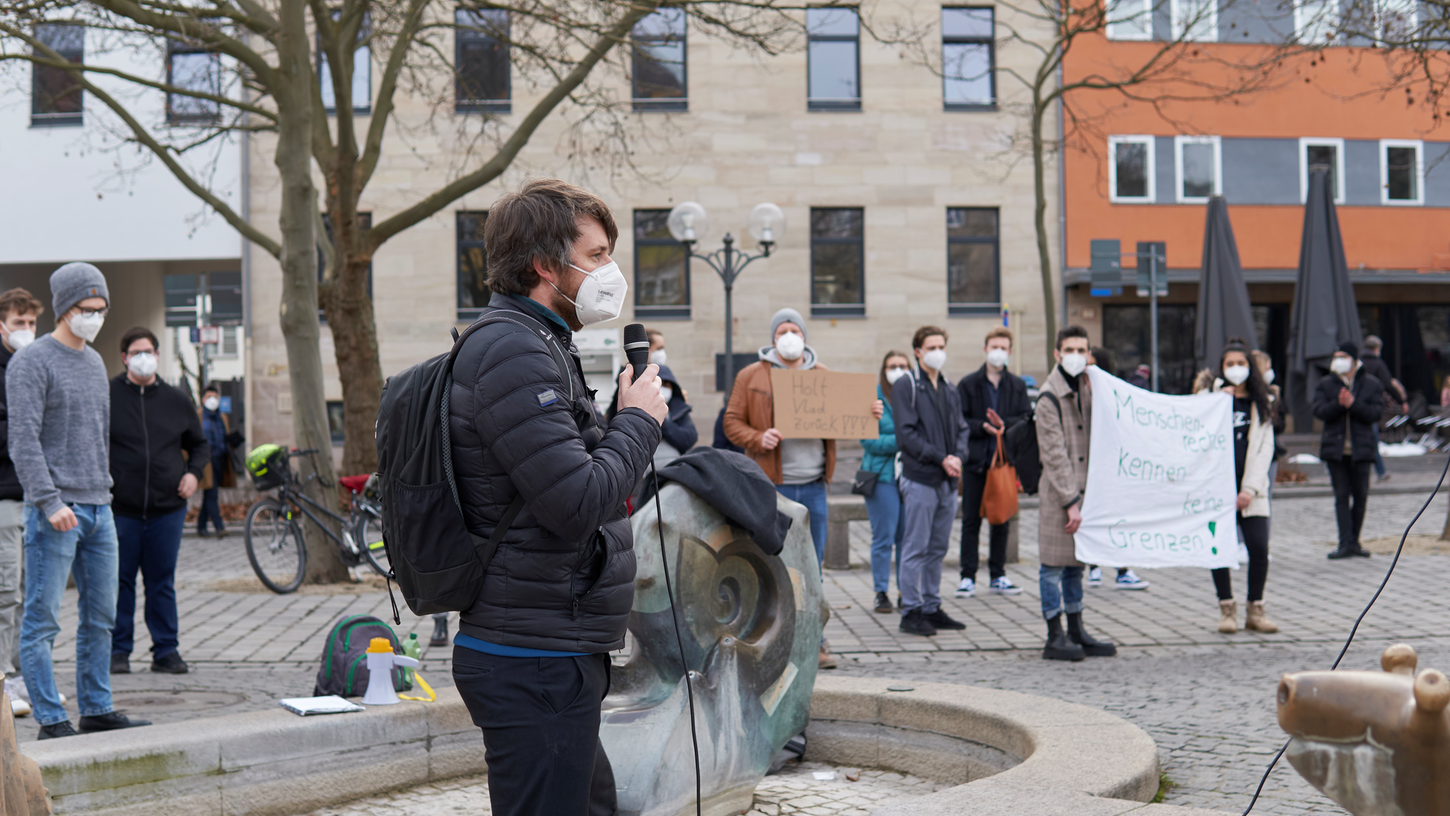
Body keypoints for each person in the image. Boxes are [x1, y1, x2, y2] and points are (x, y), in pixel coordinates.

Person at [446, 179, 667, 816]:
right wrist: (639, 421)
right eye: (597, 256)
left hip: (550, 647)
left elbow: (590, 477)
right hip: (531, 656)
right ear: (546, 265)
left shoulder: (539, 342)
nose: (611, 272)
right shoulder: (513, 350)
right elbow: (575, 500)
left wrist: (627, 426)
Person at [8, 262, 149, 738]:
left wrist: (104, 496)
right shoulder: (32, 362)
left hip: (98, 507)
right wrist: (49, 503)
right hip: (55, 511)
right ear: (64, 308)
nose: (94, 317)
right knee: (42, 621)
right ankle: (50, 718)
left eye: (101, 309)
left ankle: (96, 707)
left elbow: (96, 437)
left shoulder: (93, 363)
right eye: (86, 309)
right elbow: (23, 440)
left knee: (101, 617)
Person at [724, 307, 882, 667]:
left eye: (795, 329)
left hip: (813, 487)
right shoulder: (751, 376)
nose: (789, 335)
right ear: (773, 337)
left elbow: (850, 420)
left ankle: (815, 642)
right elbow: (731, 421)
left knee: (813, 566)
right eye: (782, 330)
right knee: (770, 564)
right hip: (771, 487)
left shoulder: (824, 376)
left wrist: (867, 412)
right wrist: (758, 437)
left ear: (805, 336)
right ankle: (768, 641)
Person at [109, 327, 209, 675]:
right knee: (119, 582)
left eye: (149, 351)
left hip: (167, 509)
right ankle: (118, 651)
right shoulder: (108, 395)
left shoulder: (176, 399)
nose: (143, 357)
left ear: (157, 354)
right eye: (136, 351)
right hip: (120, 509)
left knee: (161, 581)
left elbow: (199, 444)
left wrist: (193, 474)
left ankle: (166, 651)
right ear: (124, 358)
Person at [1035, 326, 1117, 661]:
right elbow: (1054, 456)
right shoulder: (1048, 397)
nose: (1076, 356)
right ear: (1057, 354)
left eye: (1082, 350)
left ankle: (1076, 627)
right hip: (1061, 496)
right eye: (1069, 350)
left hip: (1086, 493)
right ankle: (1054, 634)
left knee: (1075, 566)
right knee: (1053, 566)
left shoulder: (1088, 387)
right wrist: (1070, 502)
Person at [1194, 340, 1278, 634]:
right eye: (1230, 364)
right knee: (1220, 550)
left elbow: (1265, 449)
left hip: (1251, 492)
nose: (1236, 369)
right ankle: (1226, 608)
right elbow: (1195, 435)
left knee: (1258, 548)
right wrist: (1216, 397)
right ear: (1222, 368)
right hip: (1218, 491)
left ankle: (1256, 609)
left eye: (1241, 363)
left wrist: (1250, 489)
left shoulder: (1261, 402)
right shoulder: (1210, 398)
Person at [891, 326, 969, 638]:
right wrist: (942, 458)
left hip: (947, 482)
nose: (938, 351)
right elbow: (907, 435)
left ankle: (931, 606)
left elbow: (962, 428)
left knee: (937, 548)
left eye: (942, 345)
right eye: (932, 346)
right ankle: (911, 610)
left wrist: (958, 457)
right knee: (915, 547)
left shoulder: (949, 388)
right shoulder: (906, 385)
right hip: (921, 478)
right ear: (918, 352)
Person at [955, 328, 1029, 599]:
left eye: (1004, 347)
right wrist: (982, 426)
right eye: (994, 346)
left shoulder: (1017, 385)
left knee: (1002, 520)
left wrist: (1004, 425)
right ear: (985, 349)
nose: (998, 351)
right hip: (976, 463)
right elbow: (960, 420)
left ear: (1010, 352)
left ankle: (998, 575)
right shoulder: (968, 384)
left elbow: (1025, 420)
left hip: (1004, 465)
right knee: (971, 521)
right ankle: (967, 576)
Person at [0, 288, 43, 717]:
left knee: (34, 591)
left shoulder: (35, 366)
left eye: (31, 323)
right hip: (6, 496)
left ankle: (25, 673)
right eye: (18, 323)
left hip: (37, 498)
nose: (26, 331)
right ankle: (2, 679)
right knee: (6, 588)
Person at [1083, 347, 1148, 591]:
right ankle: (1093, 566)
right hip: (1086, 465)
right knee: (1091, 515)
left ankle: (1121, 568)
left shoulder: (1112, 393)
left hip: (1109, 464)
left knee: (1115, 517)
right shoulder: (1075, 392)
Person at [1314, 342, 1385, 560]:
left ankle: (1355, 540)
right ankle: (1344, 542)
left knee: (1361, 496)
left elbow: (1375, 413)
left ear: (1354, 360)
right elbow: (1319, 410)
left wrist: (1353, 404)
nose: (1338, 360)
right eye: (1336, 356)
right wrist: (1339, 404)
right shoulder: (1326, 383)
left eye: (1342, 356)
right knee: (1341, 496)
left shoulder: (1371, 383)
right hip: (1335, 451)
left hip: (1361, 450)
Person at [862, 351, 909, 615]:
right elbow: (868, 441)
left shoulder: (916, 395)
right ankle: (881, 592)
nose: (898, 370)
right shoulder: (874, 399)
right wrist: (902, 440)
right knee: (884, 537)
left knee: (906, 537)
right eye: (893, 366)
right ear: (884, 370)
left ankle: (906, 590)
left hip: (910, 477)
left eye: (903, 366)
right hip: (882, 478)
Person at [1360, 336, 1406, 482]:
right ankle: (1380, 472)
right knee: (1373, 440)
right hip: (1371, 407)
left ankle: (1365, 473)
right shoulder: (1377, 363)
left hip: (1354, 406)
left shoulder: (1357, 362)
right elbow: (1388, 384)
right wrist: (1401, 401)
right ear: (1376, 349)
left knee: (1357, 440)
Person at [196, 384, 234, 538]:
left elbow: (225, 436)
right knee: (212, 494)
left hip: (219, 460)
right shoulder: (198, 416)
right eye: (209, 397)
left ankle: (200, 526)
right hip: (206, 461)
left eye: (214, 397)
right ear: (203, 399)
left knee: (210, 493)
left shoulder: (222, 417)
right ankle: (219, 527)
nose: (212, 400)